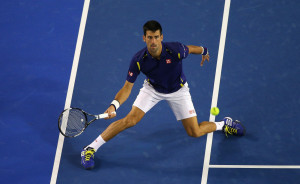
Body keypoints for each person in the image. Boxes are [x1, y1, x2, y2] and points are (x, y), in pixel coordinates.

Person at [81, 20, 245, 170]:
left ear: (161, 37)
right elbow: (126, 88)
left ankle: (224, 124)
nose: (153, 41)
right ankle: (90, 148)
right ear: (144, 38)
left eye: (157, 37)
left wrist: (204, 51)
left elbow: (191, 49)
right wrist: (113, 105)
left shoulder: (176, 50)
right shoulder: (138, 59)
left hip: (179, 91)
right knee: (130, 120)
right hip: (152, 90)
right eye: (150, 37)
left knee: (194, 132)